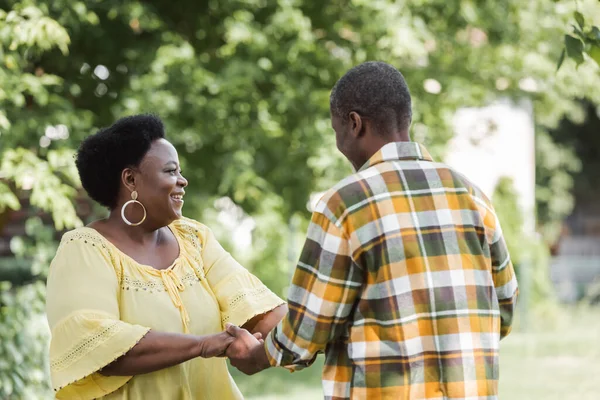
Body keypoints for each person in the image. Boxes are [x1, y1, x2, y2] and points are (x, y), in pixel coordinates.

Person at [225, 61, 519, 399]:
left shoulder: (345, 204)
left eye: (337, 130)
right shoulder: (471, 195)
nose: (339, 143)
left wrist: (257, 355)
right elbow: (505, 307)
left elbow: (307, 329)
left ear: (354, 123)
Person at [45, 114, 286, 400]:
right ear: (130, 179)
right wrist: (203, 345)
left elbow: (258, 310)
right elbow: (99, 346)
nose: (182, 181)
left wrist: (314, 329)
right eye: (171, 171)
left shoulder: (194, 238)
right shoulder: (85, 249)